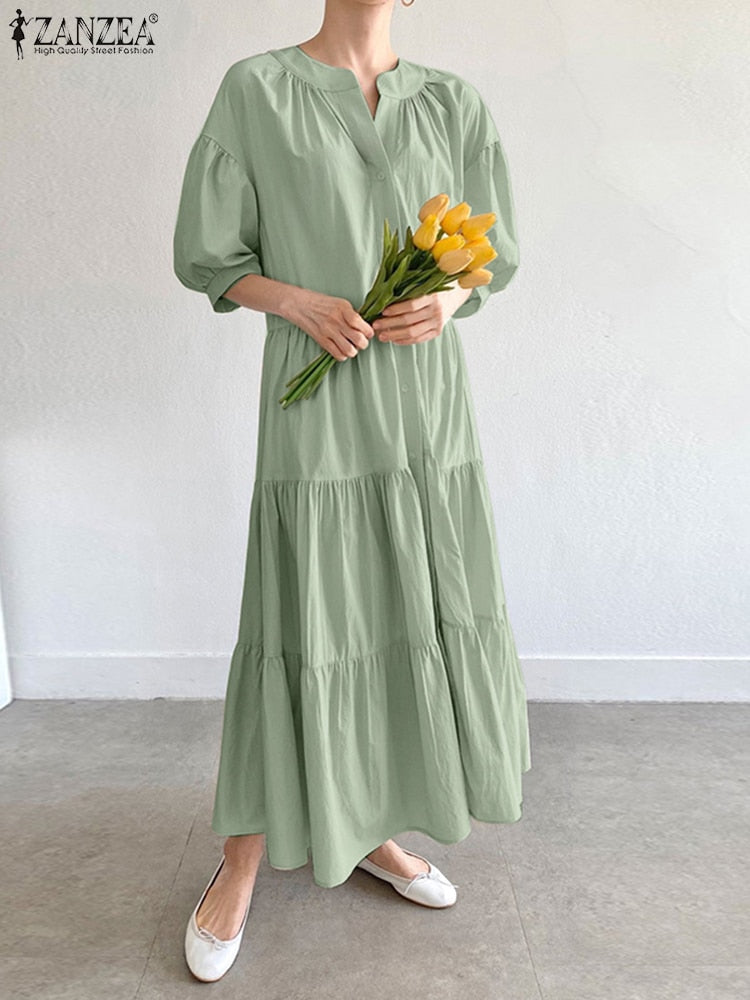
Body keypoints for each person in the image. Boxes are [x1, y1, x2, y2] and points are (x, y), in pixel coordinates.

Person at [173, 0, 531, 983]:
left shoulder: (453, 103)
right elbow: (210, 254)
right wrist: (297, 301)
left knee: (401, 605)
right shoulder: (258, 91)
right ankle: (241, 858)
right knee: (304, 615)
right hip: (319, 395)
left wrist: (450, 295)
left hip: (424, 407)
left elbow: (490, 258)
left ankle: (364, 824)